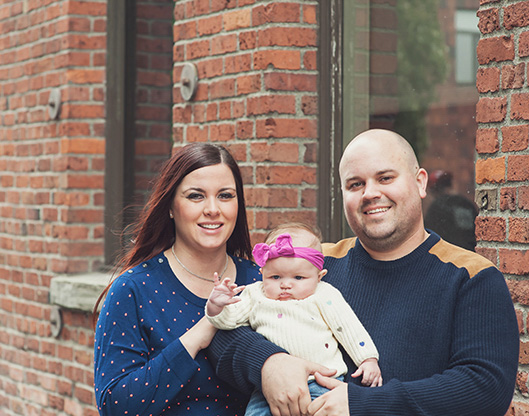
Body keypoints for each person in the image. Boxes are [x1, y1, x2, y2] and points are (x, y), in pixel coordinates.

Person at [208, 129, 519, 416]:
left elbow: (485, 388)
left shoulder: (471, 277)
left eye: (385, 178)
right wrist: (268, 363)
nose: (370, 193)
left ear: (420, 182)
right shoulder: (313, 266)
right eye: (355, 184)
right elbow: (224, 331)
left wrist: (363, 405)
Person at [93, 143, 262, 416]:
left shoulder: (261, 282)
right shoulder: (133, 289)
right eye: (196, 196)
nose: (212, 209)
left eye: (225, 196)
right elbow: (116, 406)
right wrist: (201, 332)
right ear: (170, 207)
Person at [205, 224, 381, 416]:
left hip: (322, 382)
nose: (286, 284)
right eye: (275, 276)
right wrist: (217, 306)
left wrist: (367, 359)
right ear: (262, 273)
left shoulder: (324, 294)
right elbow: (228, 323)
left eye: (298, 277)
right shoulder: (255, 294)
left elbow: (347, 327)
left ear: (318, 276)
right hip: (269, 388)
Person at [424, 169, 478, 251]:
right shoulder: (467, 204)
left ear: (434, 191)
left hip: (447, 255)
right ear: (452, 184)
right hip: (469, 255)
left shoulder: (437, 207)